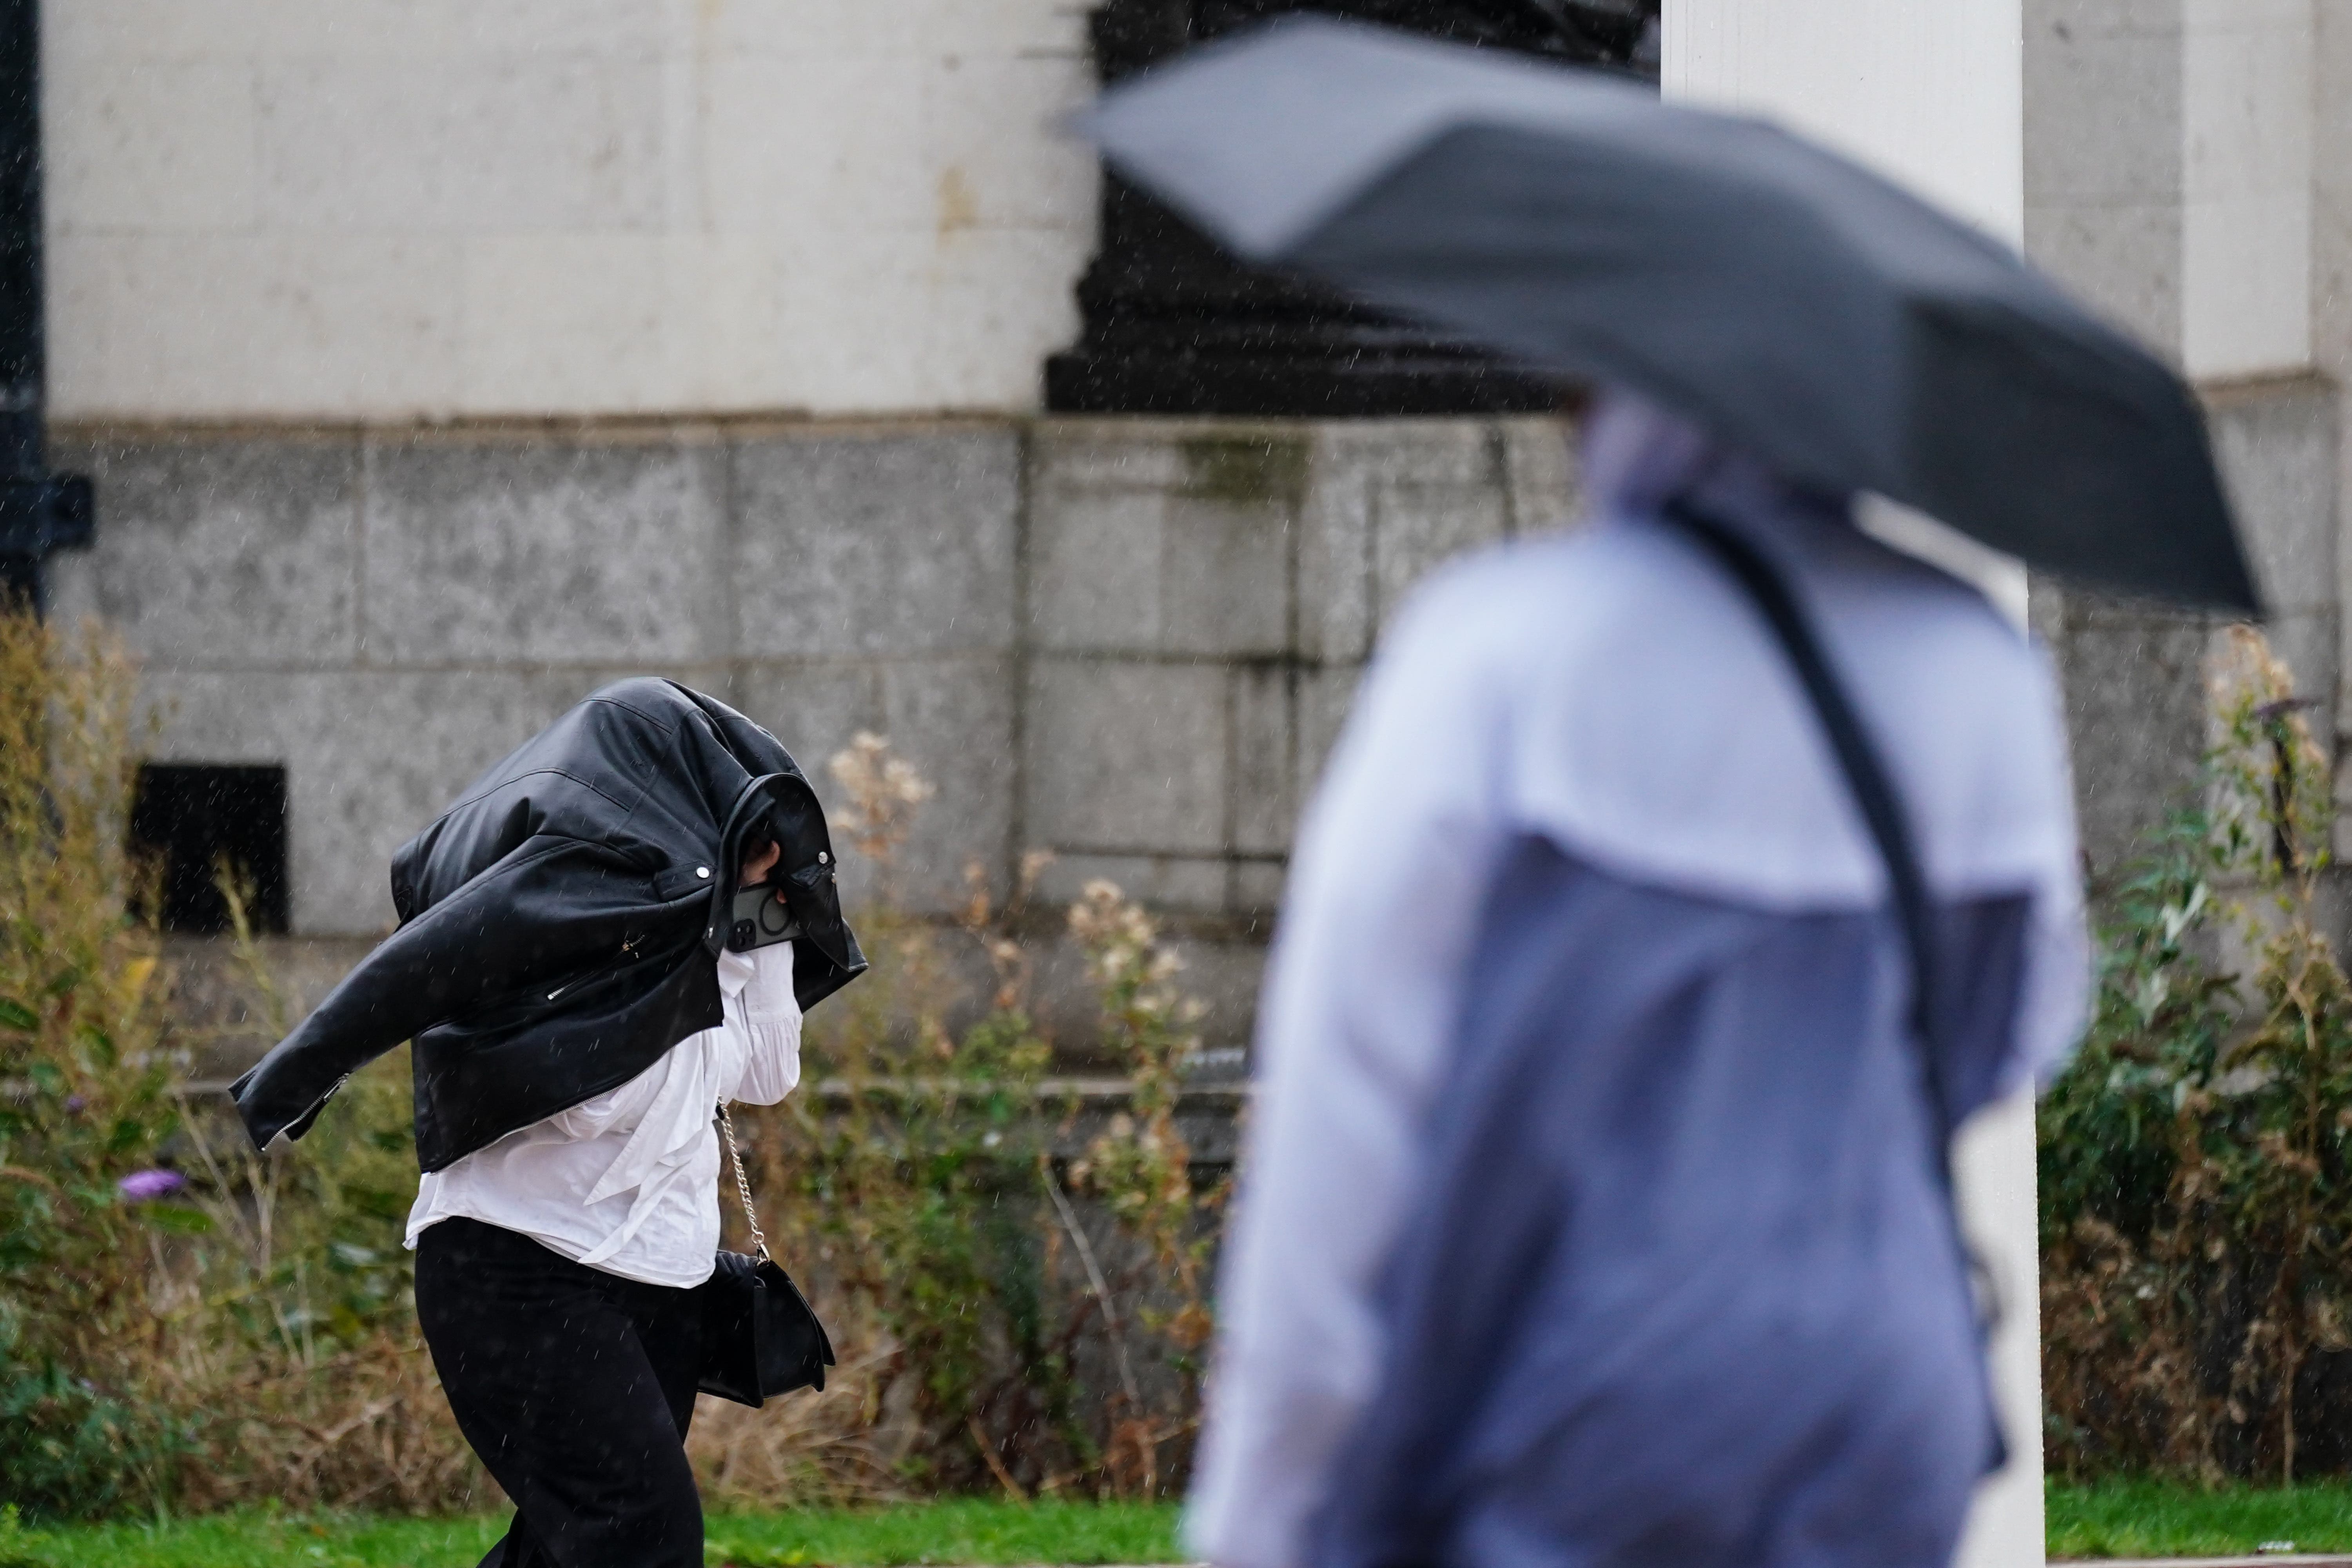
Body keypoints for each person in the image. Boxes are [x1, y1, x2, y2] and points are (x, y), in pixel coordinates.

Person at [1185, 393, 2089, 1568]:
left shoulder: (1501, 648)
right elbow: (2018, 1035)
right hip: (1884, 1399)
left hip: (1582, 1402)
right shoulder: (1978, 661)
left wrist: (1264, 1513)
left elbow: (1346, 1114)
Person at [231, 678, 865, 1568]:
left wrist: (755, 923)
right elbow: (593, 1102)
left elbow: (767, 1072)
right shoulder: (577, 908)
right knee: (641, 1536)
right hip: (519, 1268)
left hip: (663, 1275)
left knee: (567, 1552)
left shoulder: (705, 919)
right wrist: (681, 951)